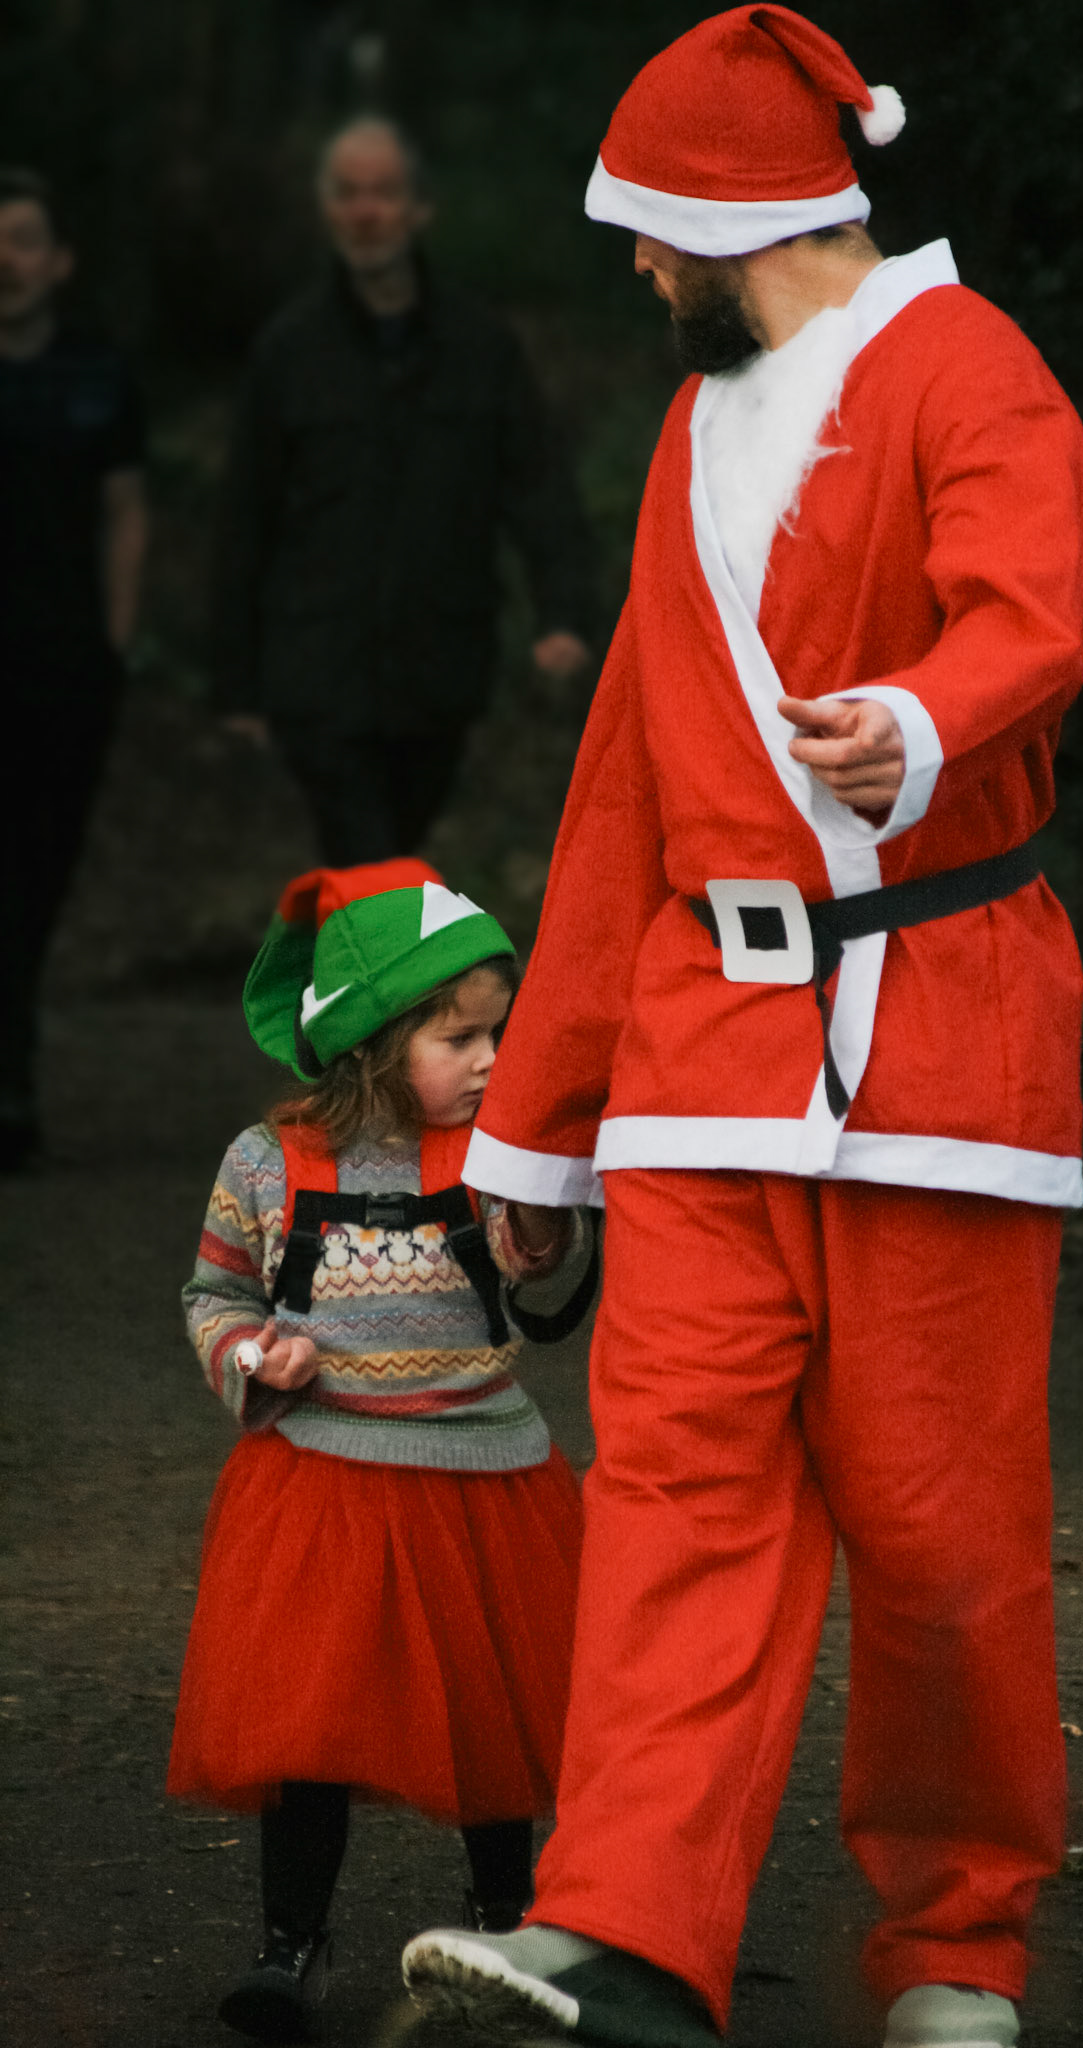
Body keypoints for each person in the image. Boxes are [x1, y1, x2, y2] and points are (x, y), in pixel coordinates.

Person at [399, 8, 1083, 2048]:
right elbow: (624, 783)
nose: (635, 264)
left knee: (947, 1537)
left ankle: (957, 1945)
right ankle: (623, 1926)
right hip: (706, 1058)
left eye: (647, 227)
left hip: (940, 1038)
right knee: (671, 1499)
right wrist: (538, 1128)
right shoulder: (690, 432)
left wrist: (918, 722)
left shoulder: (970, 368)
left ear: (736, 214)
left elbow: (1027, 612)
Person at [168, 857, 586, 2042]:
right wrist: (252, 1355)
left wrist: (540, 1195)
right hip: (324, 1479)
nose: (492, 1058)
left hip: (480, 1473)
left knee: (495, 1710)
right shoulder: (268, 1162)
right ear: (371, 1043)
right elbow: (213, 1291)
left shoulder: (497, 1147)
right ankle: (290, 1938)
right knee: (308, 1719)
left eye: (501, 1031)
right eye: (461, 1037)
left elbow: (536, 1258)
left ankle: (508, 1920)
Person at [213, 115, 597, 865]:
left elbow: (538, 487)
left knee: (390, 852)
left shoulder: (479, 346)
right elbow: (244, 519)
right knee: (370, 863)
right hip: (318, 670)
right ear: (325, 208)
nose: (366, 212)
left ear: (419, 208)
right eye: (348, 193)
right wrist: (237, 684)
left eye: (384, 193)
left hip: (437, 669)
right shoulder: (288, 352)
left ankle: (346, 943)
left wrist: (564, 614)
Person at [0, 167, 147, 1170]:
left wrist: (114, 644)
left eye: (23, 240)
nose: (6, 260)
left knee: (39, 869)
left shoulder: (98, 375)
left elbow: (126, 511)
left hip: (60, 671)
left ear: (59, 262)